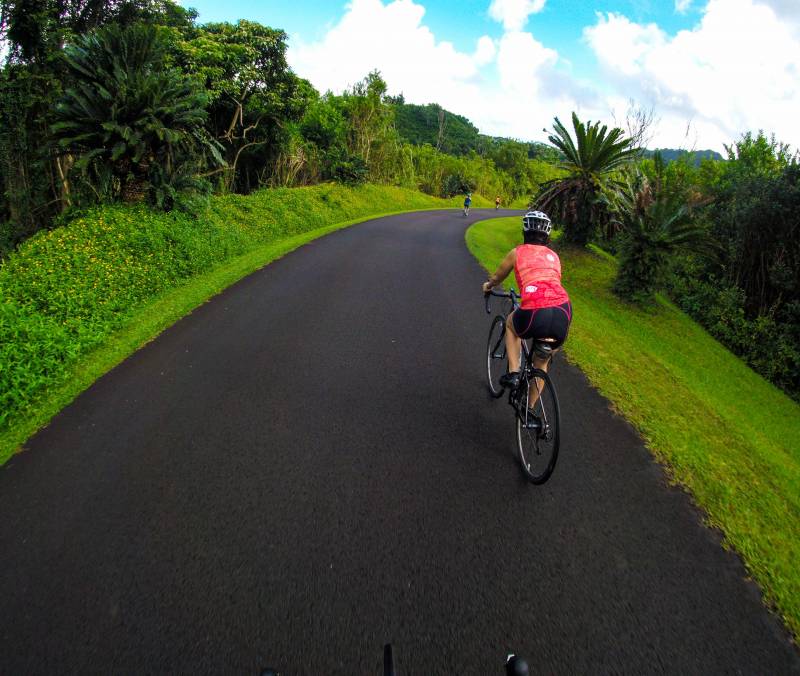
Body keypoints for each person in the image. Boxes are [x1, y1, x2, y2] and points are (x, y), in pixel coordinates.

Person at [481, 211, 571, 391]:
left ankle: (514, 373)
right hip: (564, 310)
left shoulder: (517, 252)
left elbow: (498, 276)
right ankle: (530, 416)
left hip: (535, 309)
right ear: (547, 235)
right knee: (541, 364)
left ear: (525, 231)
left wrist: (489, 286)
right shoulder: (554, 256)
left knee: (510, 325)